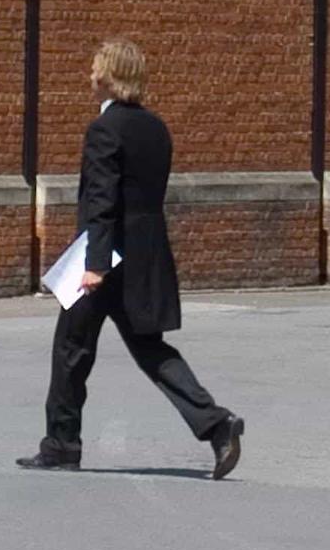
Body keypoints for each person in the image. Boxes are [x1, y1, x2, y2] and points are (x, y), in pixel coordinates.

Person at [20, 38, 245, 477]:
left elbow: (103, 200)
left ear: (107, 76)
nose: (89, 77)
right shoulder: (156, 128)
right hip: (146, 257)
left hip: (104, 258)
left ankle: (62, 444)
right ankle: (217, 425)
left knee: (71, 347)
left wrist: (96, 265)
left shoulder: (104, 130)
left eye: (93, 69)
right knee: (150, 347)